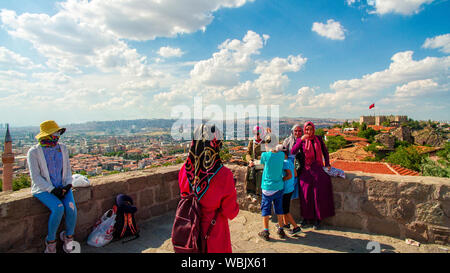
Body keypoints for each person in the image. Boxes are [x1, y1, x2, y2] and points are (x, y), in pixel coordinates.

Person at [178, 124, 239, 253]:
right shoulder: (223, 174)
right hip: (214, 236)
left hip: (189, 233)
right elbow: (230, 212)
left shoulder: (184, 170)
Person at [27, 120, 77, 253]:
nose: (57, 135)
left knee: (71, 209)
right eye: (54, 133)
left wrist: (67, 185)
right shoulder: (34, 152)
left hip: (63, 186)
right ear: (46, 134)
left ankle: (68, 237)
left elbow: (67, 170)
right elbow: (36, 177)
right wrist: (52, 190)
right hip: (43, 189)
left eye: (58, 133)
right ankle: (50, 241)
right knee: (58, 208)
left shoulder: (63, 148)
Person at [291, 121, 335, 230]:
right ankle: (306, 218)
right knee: (305, 195)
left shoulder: (318, 139)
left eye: (310, 129)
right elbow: (293, 151)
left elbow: (325, 152)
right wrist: (301, 140)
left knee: (318, 195)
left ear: (313, 130)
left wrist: (328, 164)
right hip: (306, 170)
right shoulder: (301, 141)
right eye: (306, 130)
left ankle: (318, 219)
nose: (308, 132)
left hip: (318, 169)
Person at [258, 136, 288, 241]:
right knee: (279, 209)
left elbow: (261, 163)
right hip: (279, 186)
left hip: (267, 187)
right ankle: (281, 229)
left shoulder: (265, 155)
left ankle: (266, 231)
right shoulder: (281, 155)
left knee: (265, 210)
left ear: (266, 144)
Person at [280, 147, 302, 235]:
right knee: (285, 207)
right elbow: (295, 174)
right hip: (290, 188)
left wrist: (281, 179)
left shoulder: (284, 163)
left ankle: (296, 227)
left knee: (285, 210)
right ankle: (286, 224)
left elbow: (288, 175)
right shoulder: (290, 161)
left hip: (285, 189)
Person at [283, 124, 303, 200]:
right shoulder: (287, 141)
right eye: (295, 131)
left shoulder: (304, 141)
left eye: (299, 131)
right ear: (292, 132)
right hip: (289, 163)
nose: (297, 133)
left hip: (300, 162)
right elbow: (284, 153)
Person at [244, 125, 265, 195]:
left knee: (260, 173)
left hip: (263, 163)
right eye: (254, 133)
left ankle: (259, 192)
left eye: (258, 133)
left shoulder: (265, 142)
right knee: (250, 171)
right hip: (254, 162)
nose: (256, 135)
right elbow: (248, 153)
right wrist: (250, 161)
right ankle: (250, 192)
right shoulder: (252, 142)